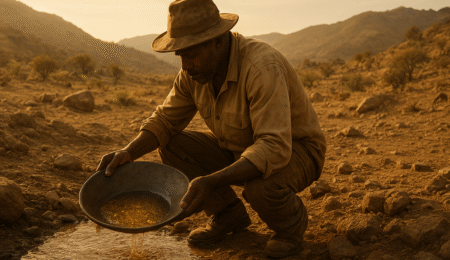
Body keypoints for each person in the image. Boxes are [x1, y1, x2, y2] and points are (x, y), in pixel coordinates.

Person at [97, 0, 326, 258]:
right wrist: (128, 152)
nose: (185, 65)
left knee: (260, 188)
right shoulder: (193, 73)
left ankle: (290, 230)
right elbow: (165, 121)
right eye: (180, 56)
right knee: (171, 143)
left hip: (297, 151)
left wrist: (212, 181)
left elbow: (273, 147)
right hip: (239, 150)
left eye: (192, 55)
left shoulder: (262, 66)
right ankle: (229, 215)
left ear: (218, 41)